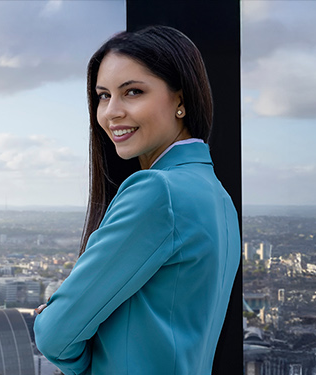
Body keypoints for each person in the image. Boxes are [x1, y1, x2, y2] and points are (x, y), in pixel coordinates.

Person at [32, 25, 240, 375]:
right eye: (103, 96)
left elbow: (54, 335)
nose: (111, 112)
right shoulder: (217, 197)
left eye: (132, 92)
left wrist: (78, 347)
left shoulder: (157, 192)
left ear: (181, 99)